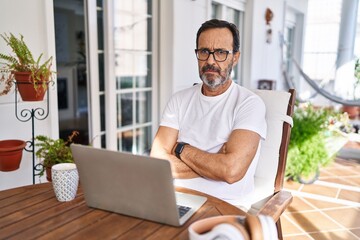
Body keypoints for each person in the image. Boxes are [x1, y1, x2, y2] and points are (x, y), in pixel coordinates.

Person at [150, 19, 267, 206]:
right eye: (204, 51)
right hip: (173, 199)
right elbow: (157, 162)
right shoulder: (179, 99)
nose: (210, 61)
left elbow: (230, 171)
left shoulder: (249, 104)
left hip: (225, 207)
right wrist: (214, 163)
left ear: (235, 57)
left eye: (221, 52)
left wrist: (181, 149)